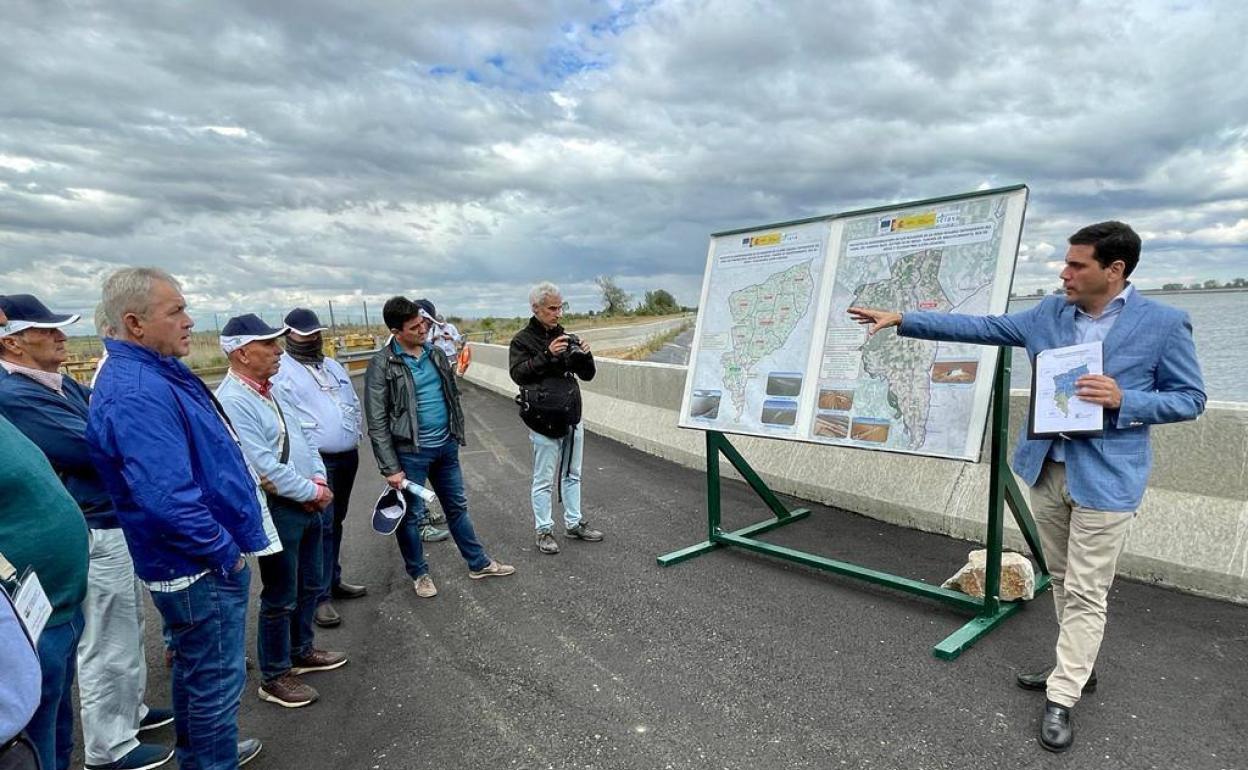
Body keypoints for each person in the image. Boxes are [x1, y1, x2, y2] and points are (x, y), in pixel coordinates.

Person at [847, 221, 1205, 753]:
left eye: (1077, 264)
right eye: (1066, 262)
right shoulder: (1048, 314)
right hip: (1048, 467)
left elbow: (1190, 399)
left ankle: (1062, 696)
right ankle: (1075, 668)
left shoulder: (1166, 323)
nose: (1064, 272)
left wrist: (1124, 399)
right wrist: (904, 319)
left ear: (1114, 270)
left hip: (1107, 477)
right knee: (1060, 577)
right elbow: (984, 326)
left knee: (1087, 590)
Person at [86, 268, 265, 770]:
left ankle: (203, 753)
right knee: (215, 683)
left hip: (195, 561)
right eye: (176, 311)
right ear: (134, 323)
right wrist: (224, 554)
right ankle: (211, 759)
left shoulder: (155, 370)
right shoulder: (137, 390)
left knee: (198, 675)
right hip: (196, 565)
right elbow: (167, 497)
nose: (189, 321)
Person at [0, 295, 173, 770]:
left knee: (125, 626)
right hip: (94, 525)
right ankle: (110, 745)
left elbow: (103, 424)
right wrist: (120, 438)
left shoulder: (57, 385)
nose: (61, 336)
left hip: (105, 521)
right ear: (12, 342)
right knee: (105, 639)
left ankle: (128, 710)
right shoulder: (15, 395)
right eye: (47, 330)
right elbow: (91, 446)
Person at [216, 314, 347, 708]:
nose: (278, 350)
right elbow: (262, 467)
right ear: (241, 353)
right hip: (279, 507)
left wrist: (319, 482)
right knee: (280, 594)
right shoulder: (233, 400)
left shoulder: (271, 390)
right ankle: (275, 674)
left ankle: (301, 650)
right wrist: (311, 490)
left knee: (310, 583)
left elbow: (305, 436)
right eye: (268, 345)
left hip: (308, 500)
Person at [363, 296, 515, 598]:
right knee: (412, 516)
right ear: (396, 331)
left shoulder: (433, 353)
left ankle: (478, 563)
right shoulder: (382, 364)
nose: (423, 329)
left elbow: (450, 395)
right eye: (415, 326)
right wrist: (389, 466)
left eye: (423, 323)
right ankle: (419, 574)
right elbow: (376, 419)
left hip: (445, 447)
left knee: (457, 507)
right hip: (410, 454)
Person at [271, 308, 367, 630]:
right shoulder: (281, 372)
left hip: (345, 457)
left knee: (336, 523)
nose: (313, 337)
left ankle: (332, 580)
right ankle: (318, 597)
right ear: (288, 335)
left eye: (316, 332)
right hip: (316, 461)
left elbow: (351, 401)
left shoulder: (333, 366)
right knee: (319, 528)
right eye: (305, 333)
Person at [508, 282, 603, 555]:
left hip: (571, 414)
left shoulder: (566, 336)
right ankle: (544, 530)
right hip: (542, 418)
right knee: (544, 478)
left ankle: (573, 523)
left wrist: (585, 355)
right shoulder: (522, 340)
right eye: (552, 308)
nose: (558, 313)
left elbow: (587, 375)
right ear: (536, 309)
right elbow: (519, 374)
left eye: (560, 307)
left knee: (573, 474)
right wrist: (548, 355)